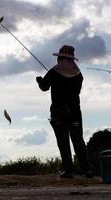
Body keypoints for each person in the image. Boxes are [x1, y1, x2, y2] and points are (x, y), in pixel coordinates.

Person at [36, 45, 92, 178]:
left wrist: (39, 81)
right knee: (78, 140)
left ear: (60, 57)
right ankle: (87, 170)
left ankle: (68, 171)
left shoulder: (54, 71)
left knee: (63, 141)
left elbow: (44, 87)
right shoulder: (79, 74)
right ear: (72, 59)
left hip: (58, 111)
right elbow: (76, 92)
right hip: (75, 112)